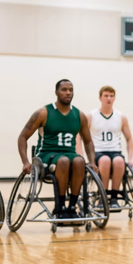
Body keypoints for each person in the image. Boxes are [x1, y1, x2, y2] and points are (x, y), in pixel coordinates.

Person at [18, 79, 96, 220]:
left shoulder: (79, 115)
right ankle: (59, 206)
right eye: (64, 89)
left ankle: (72, 207)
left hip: (70, 153)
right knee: (63, 161)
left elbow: (88, 141)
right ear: (56, 92)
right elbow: (22, 137)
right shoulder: (43, 112)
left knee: (79, 161)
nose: (68, 93)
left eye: (70, 90)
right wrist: (25, 161)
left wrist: (92, 161)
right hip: (47, 154)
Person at [85, 86, 133, 210]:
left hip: (115, 151)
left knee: (119, 161)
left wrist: (130, 158)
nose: (109, 98)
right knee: (105, 160)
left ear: (114, 98)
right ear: (100, 98)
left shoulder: (120, 116)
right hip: (98, 152)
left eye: (111, 96)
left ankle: (114, 197)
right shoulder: (91, 116)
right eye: (106, 96)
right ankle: (102, 197)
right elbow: (78, 137)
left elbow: (129, 138)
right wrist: (81, 156)